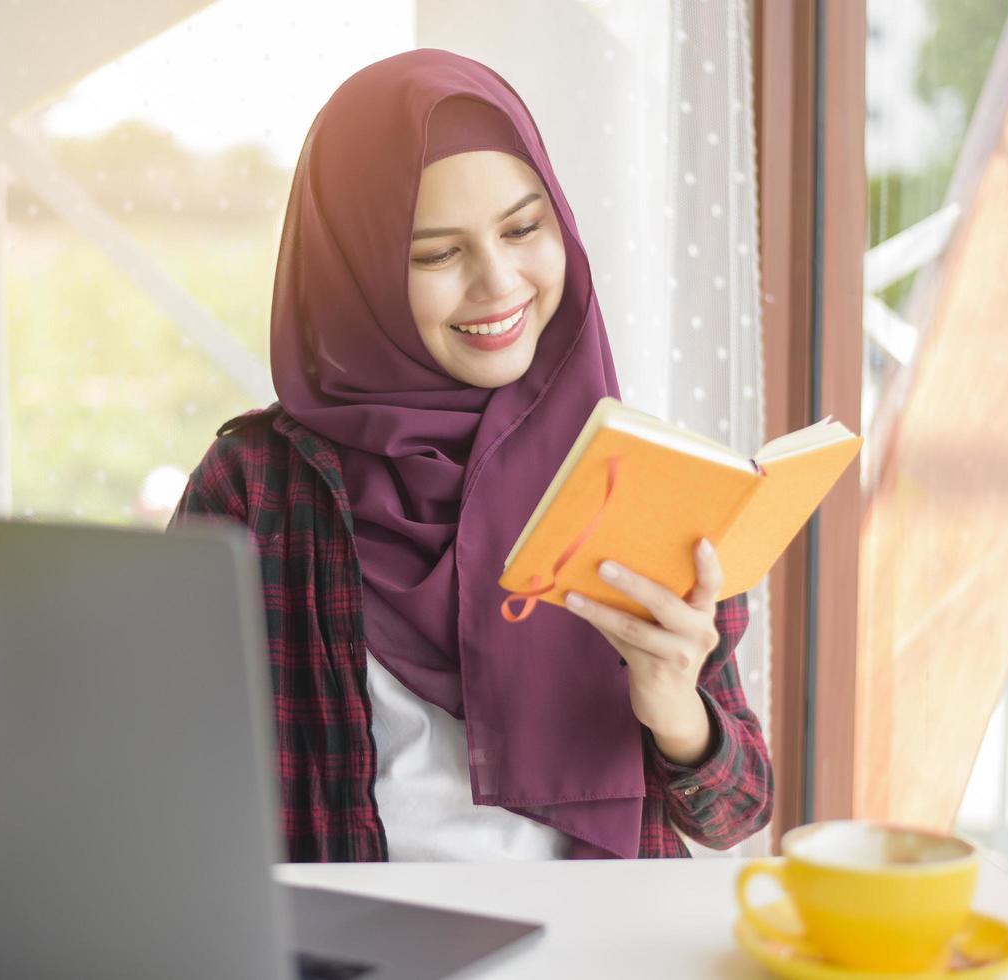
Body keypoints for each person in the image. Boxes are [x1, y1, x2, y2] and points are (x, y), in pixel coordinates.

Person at [172, 48, 772, 863]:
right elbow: (161, 787)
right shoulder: (256, 491)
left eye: (524, 228)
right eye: (436, 253)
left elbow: (737, 812)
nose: (499, 283)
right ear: (357, 274)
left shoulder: (640, 474)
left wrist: (678, 711)